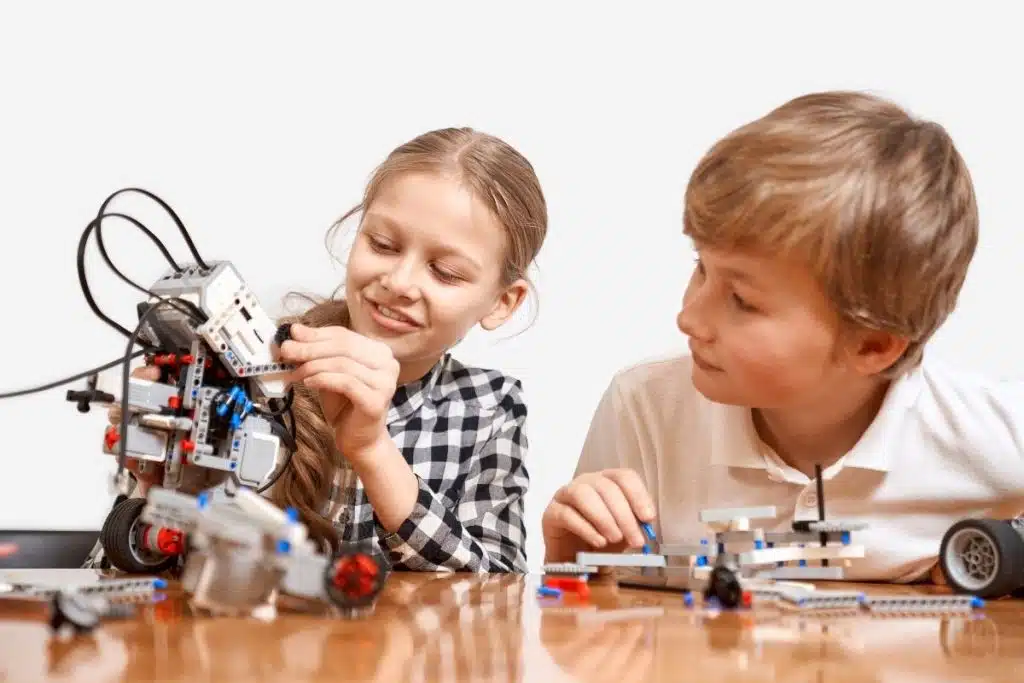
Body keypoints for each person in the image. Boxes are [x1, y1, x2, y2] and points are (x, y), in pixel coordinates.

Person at [542, 90, 1024, 583]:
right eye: (700, 269)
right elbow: (589, 613)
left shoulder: (994, 436)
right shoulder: (643, 412)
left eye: (743, 301)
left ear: (873, 346)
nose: (688, 317)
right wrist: (574, 564)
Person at [114, 127, 547, 573]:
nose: (398, 282)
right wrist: (155, 479)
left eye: (446, 272)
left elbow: (499, 596)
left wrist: (372, 448)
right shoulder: (258, 370)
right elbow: (130, 571)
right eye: (383, 245)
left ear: (502, 302)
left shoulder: (490, 406)